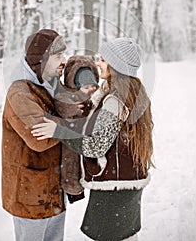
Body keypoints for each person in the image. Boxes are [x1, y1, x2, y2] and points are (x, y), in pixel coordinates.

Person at [31, 37, 154, 241]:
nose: (98, 63)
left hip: (113, 189)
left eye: (104, 60)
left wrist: (59, 130)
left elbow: (96, 146)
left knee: (111, 236)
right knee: (126, 236)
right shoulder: (135, 91)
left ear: (116, 66)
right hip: (128, 182)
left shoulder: (115, 100)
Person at [2, 29, 67, 241]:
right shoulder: (20, 92)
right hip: (29, 195)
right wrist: (71, 125)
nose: (63, 61)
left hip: (54, 191)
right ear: (41, 60)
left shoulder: (52, 84)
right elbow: (40, 137)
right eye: (58, 56)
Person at [54, 55, 99, 204]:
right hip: (71, 142)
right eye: (86, 87)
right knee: (71, 163)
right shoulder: (67, 96)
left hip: (87, 142)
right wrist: (73, 107)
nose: (90, 90)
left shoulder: (93, 97)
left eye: (93, 86)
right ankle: (73, 188)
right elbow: (61, 105)